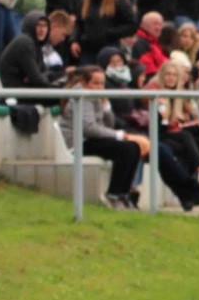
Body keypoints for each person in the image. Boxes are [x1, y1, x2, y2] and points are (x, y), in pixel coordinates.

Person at [59, 65, 147, 209]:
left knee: (134, 147)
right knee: (126, 149)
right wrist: (119, 135)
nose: (100, 87)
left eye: (102, 83)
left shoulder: (96, 97)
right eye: (96, 83)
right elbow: (89, 129)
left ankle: (123, 193)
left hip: (92, 140)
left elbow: (108, 124)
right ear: (85, 83)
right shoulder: (81, 97)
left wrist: (106, 107)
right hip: (79, 142)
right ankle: (113, 194)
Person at [73, 0, 136, 65]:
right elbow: (79, 23)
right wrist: (74, 40)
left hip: (109, 49)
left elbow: (132, 25)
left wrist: (110, 33)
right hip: (87, 49)